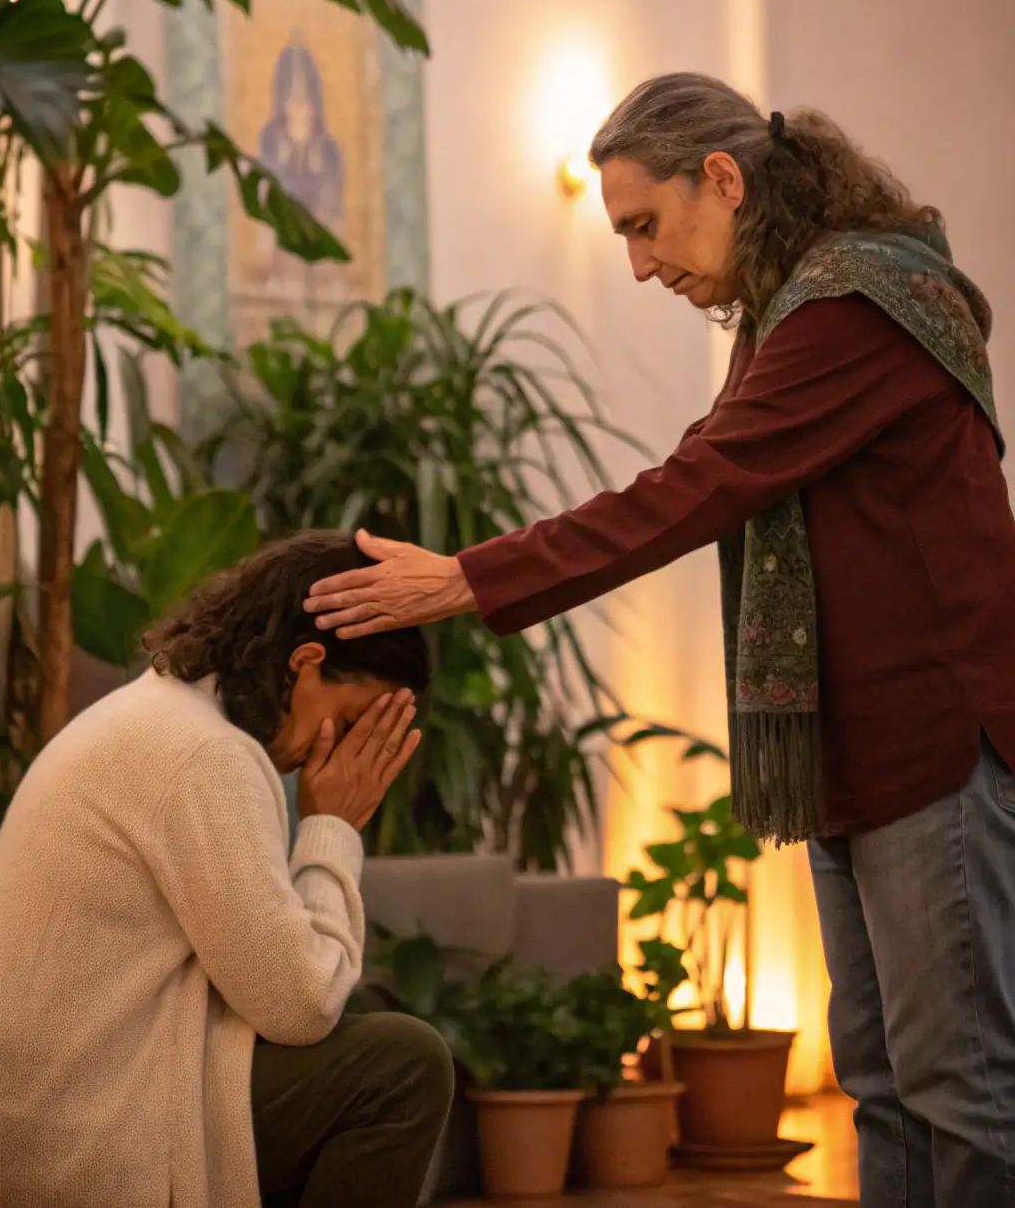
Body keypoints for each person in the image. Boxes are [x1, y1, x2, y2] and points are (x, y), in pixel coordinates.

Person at [305, 73, 1015, 1207]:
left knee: (962, 1090)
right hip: (855, 753)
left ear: (721, 179)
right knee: (882, 1083)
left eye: (645, 224)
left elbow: (696, 487)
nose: (639, 264)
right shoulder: (796, 307)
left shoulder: (849, 307)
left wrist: (468, 577)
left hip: (928, 737)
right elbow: (706, 466)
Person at [0, 530, 454, 1208]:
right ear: (306, 662)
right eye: (352, 719)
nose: (347, 748)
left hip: (53, 1101)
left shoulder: (168, 713)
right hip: (79, 1129)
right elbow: (299, 1005)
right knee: (402, 1066)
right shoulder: (205, 756)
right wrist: (333, 827)